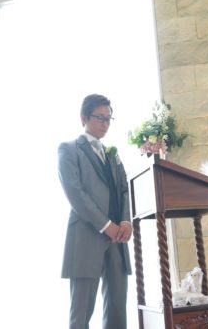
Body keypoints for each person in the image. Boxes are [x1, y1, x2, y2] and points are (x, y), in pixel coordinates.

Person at [58, 94, 133, 329]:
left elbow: (124, 189)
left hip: (118, 241)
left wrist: (125, 221)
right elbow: (76, 194)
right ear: (84, 117)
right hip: (86, 238)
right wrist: (106, 225)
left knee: (117, 310)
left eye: (109, 119)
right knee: (81, 313)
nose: (105, 124)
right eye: (100, 118)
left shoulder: (113, 154)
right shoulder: (68, 149)